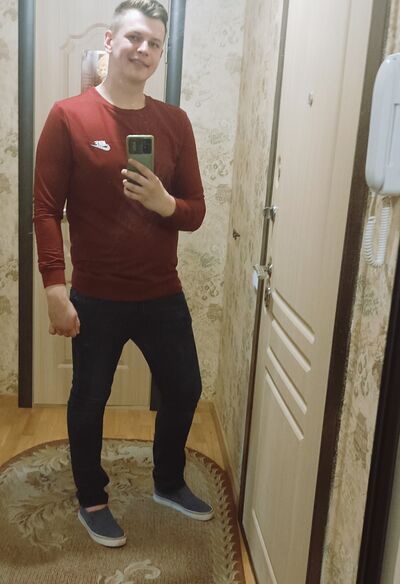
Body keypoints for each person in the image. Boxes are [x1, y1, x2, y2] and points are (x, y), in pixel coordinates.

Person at [33, 0, 213, 548]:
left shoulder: (174, 122)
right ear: (110, 42)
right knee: (90, 399)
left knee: (185, 388)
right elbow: (46, 209)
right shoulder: (68, 116)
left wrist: (165, 204)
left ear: (161, 54)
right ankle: (92, 498)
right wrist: (55, 288)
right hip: (96, 295)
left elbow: (196, 211)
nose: (144, 49)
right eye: (135, 37)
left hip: (162, 292)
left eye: (155, 43)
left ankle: (168, 482)